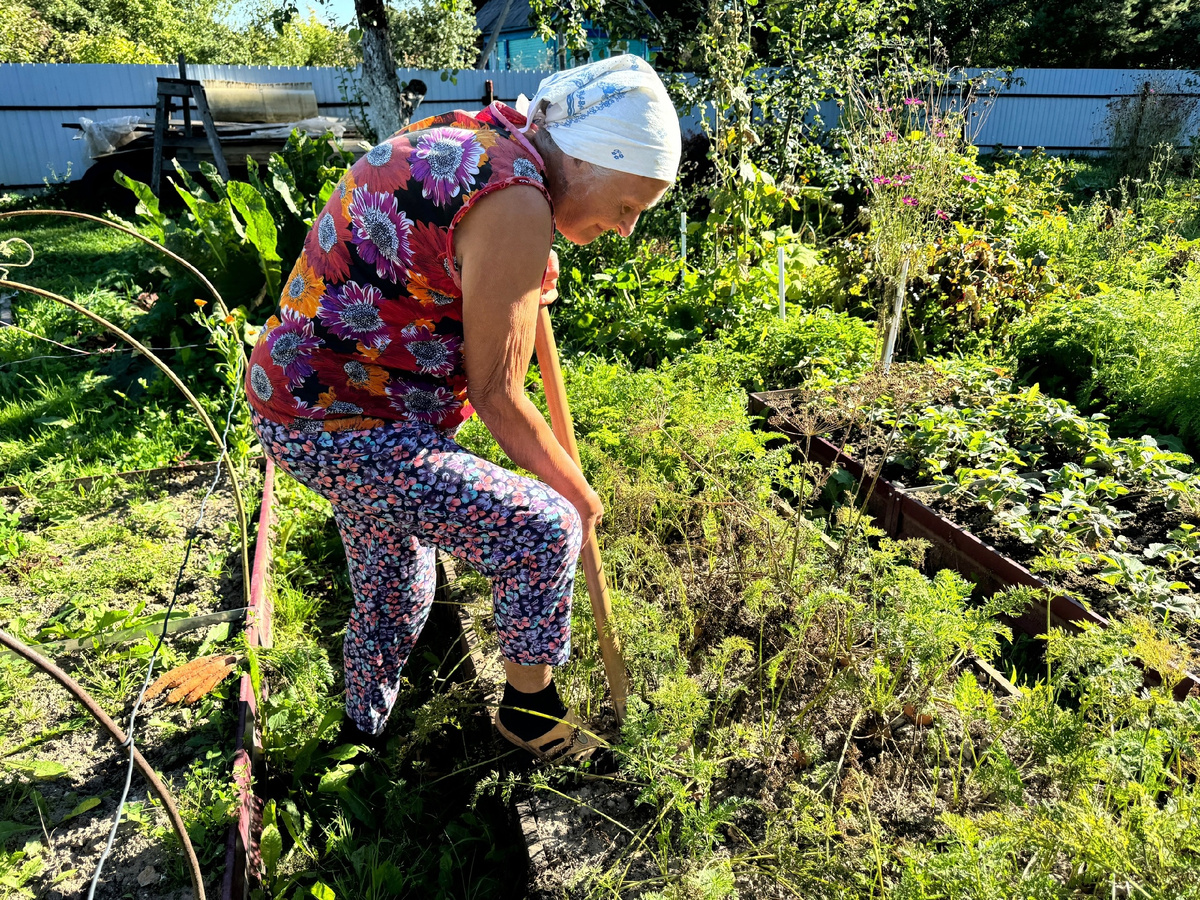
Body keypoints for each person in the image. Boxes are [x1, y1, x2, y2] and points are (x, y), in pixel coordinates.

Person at [244, 56, 681, 760]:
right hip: (343, 422)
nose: (625, 229)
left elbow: (445, 254)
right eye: (627, 205)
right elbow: (499, 398)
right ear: (589, 159)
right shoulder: (516, 200)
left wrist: (521, 265)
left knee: (397, 585)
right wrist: (579, 494)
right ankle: (530, 713)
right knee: (543, 528)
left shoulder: (490, 139)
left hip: (311, 396)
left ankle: (360, 738)